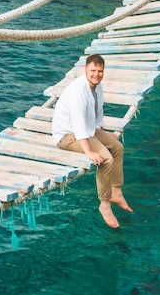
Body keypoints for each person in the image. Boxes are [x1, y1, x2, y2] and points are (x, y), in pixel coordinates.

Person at [52, 54, 133, 228]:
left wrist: (103, 134)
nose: (96, 74)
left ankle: (116, 192)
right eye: (93, 71)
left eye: (100, 71)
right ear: (85, 70)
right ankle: (104, 204)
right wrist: (89, 151)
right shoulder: (78, 92)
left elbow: (97, 113)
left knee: (117, 148)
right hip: (68, 135)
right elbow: (79, 124)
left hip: (87, 130)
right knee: (106, 160)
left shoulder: (97, 87)